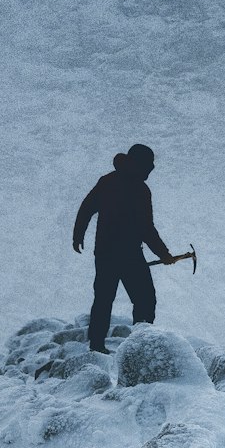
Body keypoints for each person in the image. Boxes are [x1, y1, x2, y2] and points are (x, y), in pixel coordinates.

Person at [73, 143, 174, 353]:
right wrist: (163, 254)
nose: (150, 170)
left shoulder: (108, 181)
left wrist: (78, 235)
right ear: (139, 164)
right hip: (129, 255)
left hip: (105, 253)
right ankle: (141, 345)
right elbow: (147, 228)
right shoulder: (140, 190)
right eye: (149, 165)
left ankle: (97, 345)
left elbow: (86, 208)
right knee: (145, 299)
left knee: (103, 298)